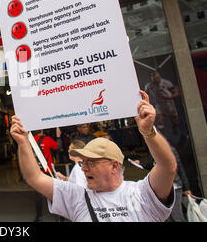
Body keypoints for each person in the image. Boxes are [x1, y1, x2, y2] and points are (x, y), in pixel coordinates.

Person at [10, 91, 177, 222]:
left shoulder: (142, 194)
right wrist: (23, 142)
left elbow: (167, 167)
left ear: (114, 166)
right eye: (83, 162)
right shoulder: (77, 198)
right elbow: (34, 177)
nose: (83, 168)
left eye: (91, 163)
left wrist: (148, 132)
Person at [133, 146, 191, 222]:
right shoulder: (152, 151)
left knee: (177, 216)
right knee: (167, 217)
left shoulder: (170, 150)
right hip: (161, 189)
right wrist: (141, 163)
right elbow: (151, 165)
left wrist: (186, 188)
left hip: (174, 187)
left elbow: (180, 168)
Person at [33, 129, 58, 222]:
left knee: (38, 194)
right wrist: (58, 136)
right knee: (53, 192)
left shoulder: (29, 141)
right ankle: (59, 215)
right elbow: (57, 146)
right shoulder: (47, 139)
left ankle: (39, 216)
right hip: (48, 170)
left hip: (36, 171)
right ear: (41, 130)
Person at [144, 70, 180, 137]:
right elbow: (145, 94)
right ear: (151, 78)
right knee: (160, 120)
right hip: (159, 105)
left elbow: (177, 92)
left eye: (157, 78)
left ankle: (174, 128)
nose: (156, 79)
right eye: (154, 78)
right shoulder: (149, 85)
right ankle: (162, 136)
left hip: (169, 104)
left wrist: (170, 97)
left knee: (174, 120)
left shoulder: (167, 83)